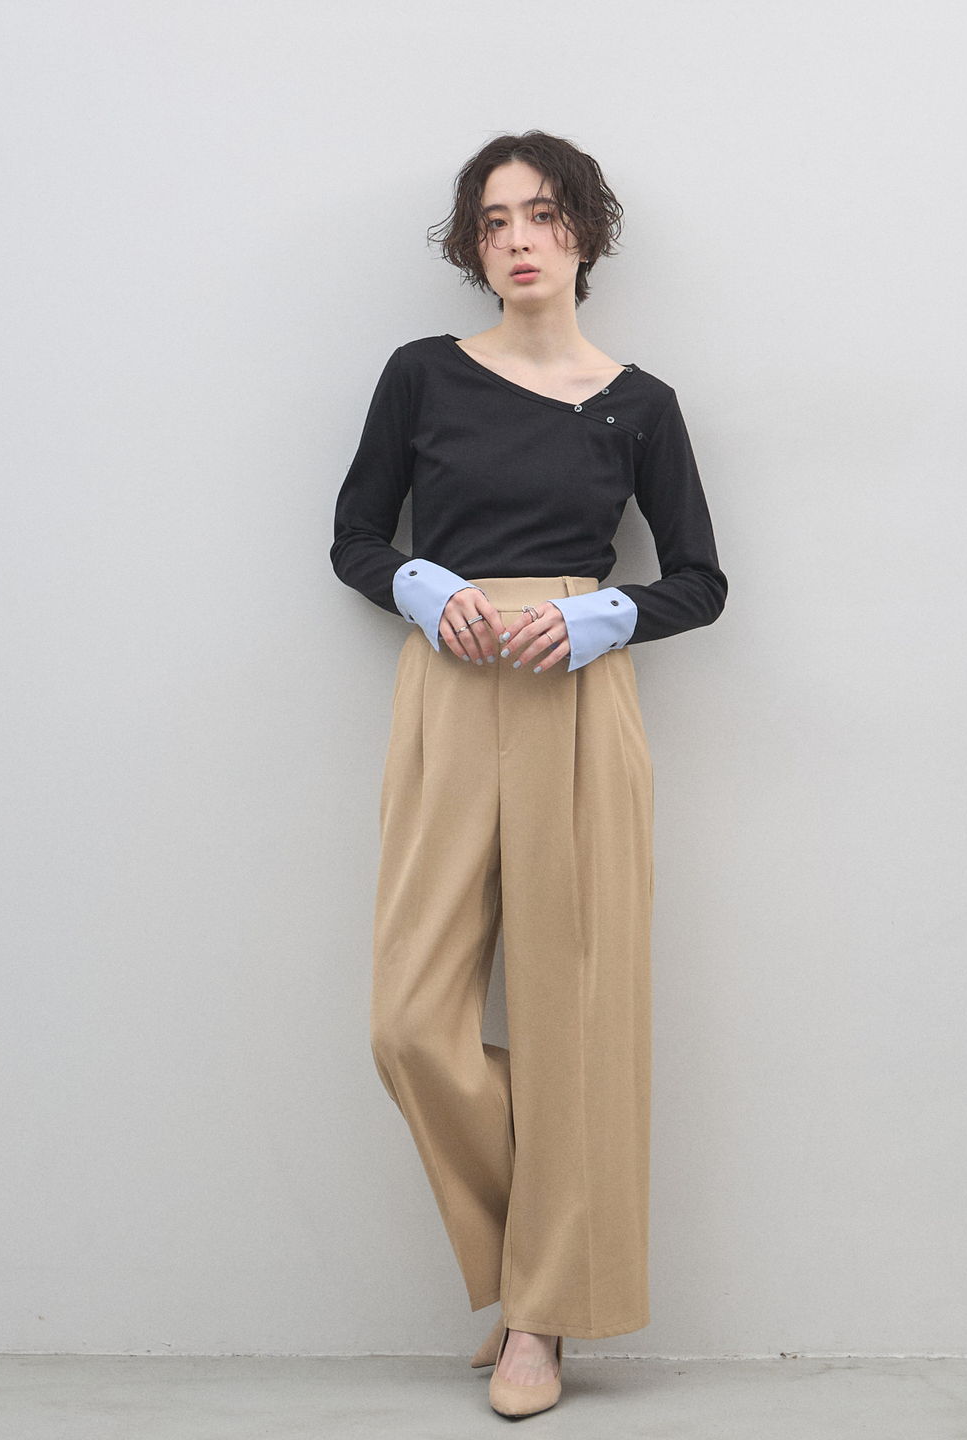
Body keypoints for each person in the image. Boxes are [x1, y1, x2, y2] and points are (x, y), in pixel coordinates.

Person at [330, 129, 727, 1418]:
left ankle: (538, 1320)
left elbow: (701, 580)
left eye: (543, 216)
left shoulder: (639, 403)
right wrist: (418, 582)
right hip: (448, 688)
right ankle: (538, 1251)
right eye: (495, 221)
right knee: (410, 1023)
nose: (518, 240)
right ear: (472, 245)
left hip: (578, 697)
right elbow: (352, 535)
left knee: (576, 1018)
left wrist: (608, 614)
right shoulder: (423, 375)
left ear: (583, 234)